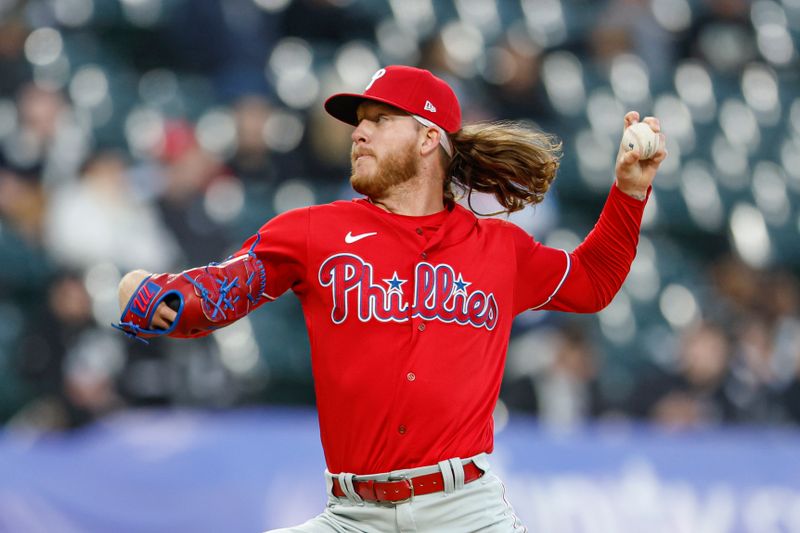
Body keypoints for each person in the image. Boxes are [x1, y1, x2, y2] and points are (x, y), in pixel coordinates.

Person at [115, 65, 667, 532]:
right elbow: (213, 296)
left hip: (465, 513)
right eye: (359, 124)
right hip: (351, 516)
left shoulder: (499, 249)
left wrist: (630, 191)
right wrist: (152, 294)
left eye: (380, 121)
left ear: (429, 137)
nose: (359, 134)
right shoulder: (312, 232)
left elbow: (592, 282)